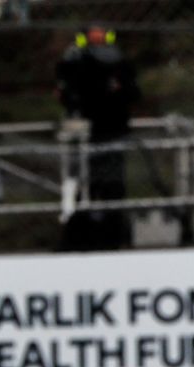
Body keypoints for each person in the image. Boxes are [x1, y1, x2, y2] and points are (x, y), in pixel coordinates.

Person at [56, 25, 140, 248]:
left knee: (112, 184)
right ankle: (79, 234)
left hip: (111, 130)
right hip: (85, 133)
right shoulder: (75, 62)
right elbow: (66, 92)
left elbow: (132, 93)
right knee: (81, 184)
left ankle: (112, 235)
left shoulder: (120, 64)